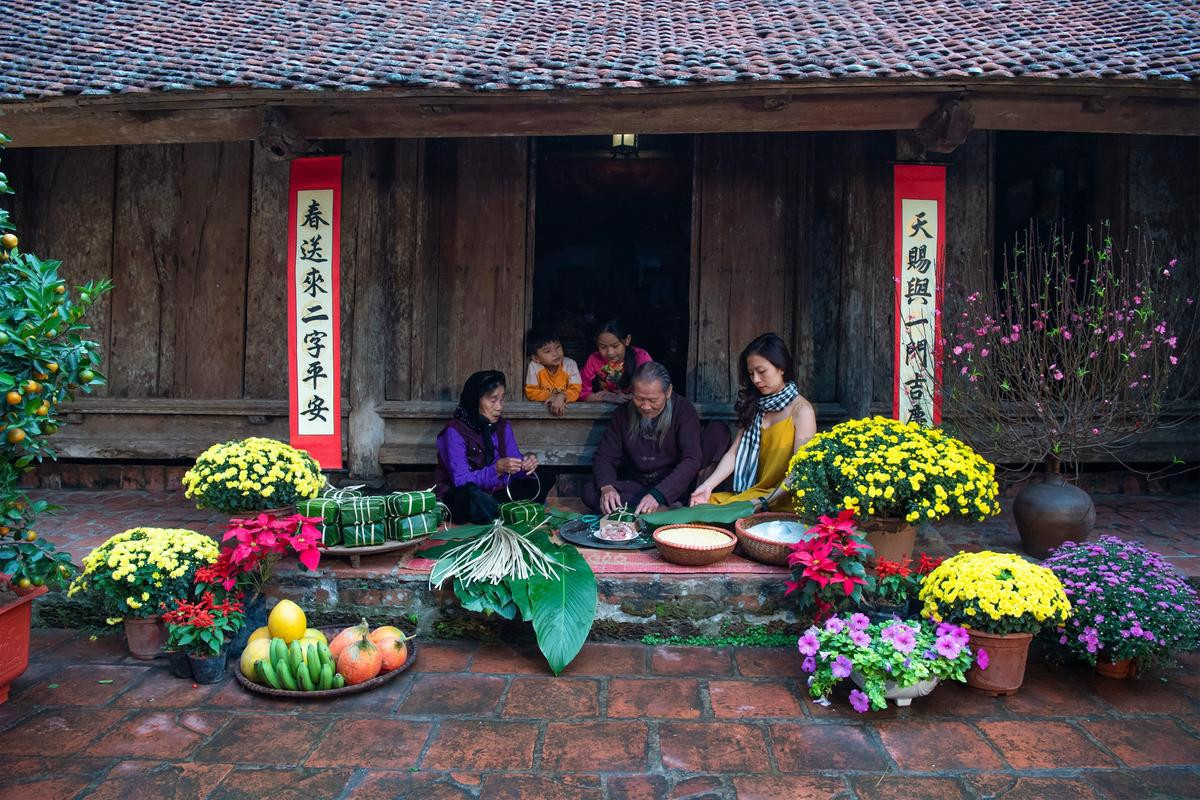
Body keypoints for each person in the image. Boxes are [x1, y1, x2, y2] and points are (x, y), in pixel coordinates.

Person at [689, 333, 816, 512]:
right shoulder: (756, 405)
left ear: (782, 368)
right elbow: (733, 455)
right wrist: (707, 486)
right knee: (701, 506)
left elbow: (799, 472)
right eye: (751, 373)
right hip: (753, 494)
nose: (756, 379)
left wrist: (763, 501)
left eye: (761, 371)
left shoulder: (802, 411)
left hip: (782, 498)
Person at [584, 362, 708, 515]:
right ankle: (662, 512)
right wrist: (607, 487)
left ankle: (658, 507)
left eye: (653, 400)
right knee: (591, 491)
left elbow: (691, 459)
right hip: (637, 486)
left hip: (671, 487)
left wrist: (659, 495)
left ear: (668, 391)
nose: (645, 406)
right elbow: (605, 456)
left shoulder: (683, 411)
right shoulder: (622, 414)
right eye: (639, 398)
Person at [434, 370, 543, 524]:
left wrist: (526, 466)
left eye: (502, 400)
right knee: (471, 496)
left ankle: (497, 510)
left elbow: (514, 466)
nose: (499, 407)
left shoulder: (503, 427)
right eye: (493, 400)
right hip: (466, 494)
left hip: (497, 491)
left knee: (544, 475)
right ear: (475, 400)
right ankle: (500, 511)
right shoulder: (454, 431)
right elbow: (460, 481)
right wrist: (496, 469)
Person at [579, 318, 652, 403]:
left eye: (615, 346)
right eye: (603, 347)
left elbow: (651, 389)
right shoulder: (594, 359)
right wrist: (605, 397)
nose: (610, 352)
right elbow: (581, 392)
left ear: (627, 340)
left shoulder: (641, 357)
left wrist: (629, 397)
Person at [523, 327, 582, 417]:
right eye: (547, 351)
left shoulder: (570, 365)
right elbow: (531, 391)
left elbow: (576, 391)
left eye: (558, 347)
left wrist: (562, 396)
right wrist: (552, 396)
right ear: (536, 358)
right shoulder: (534, 367)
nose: (555, 353)